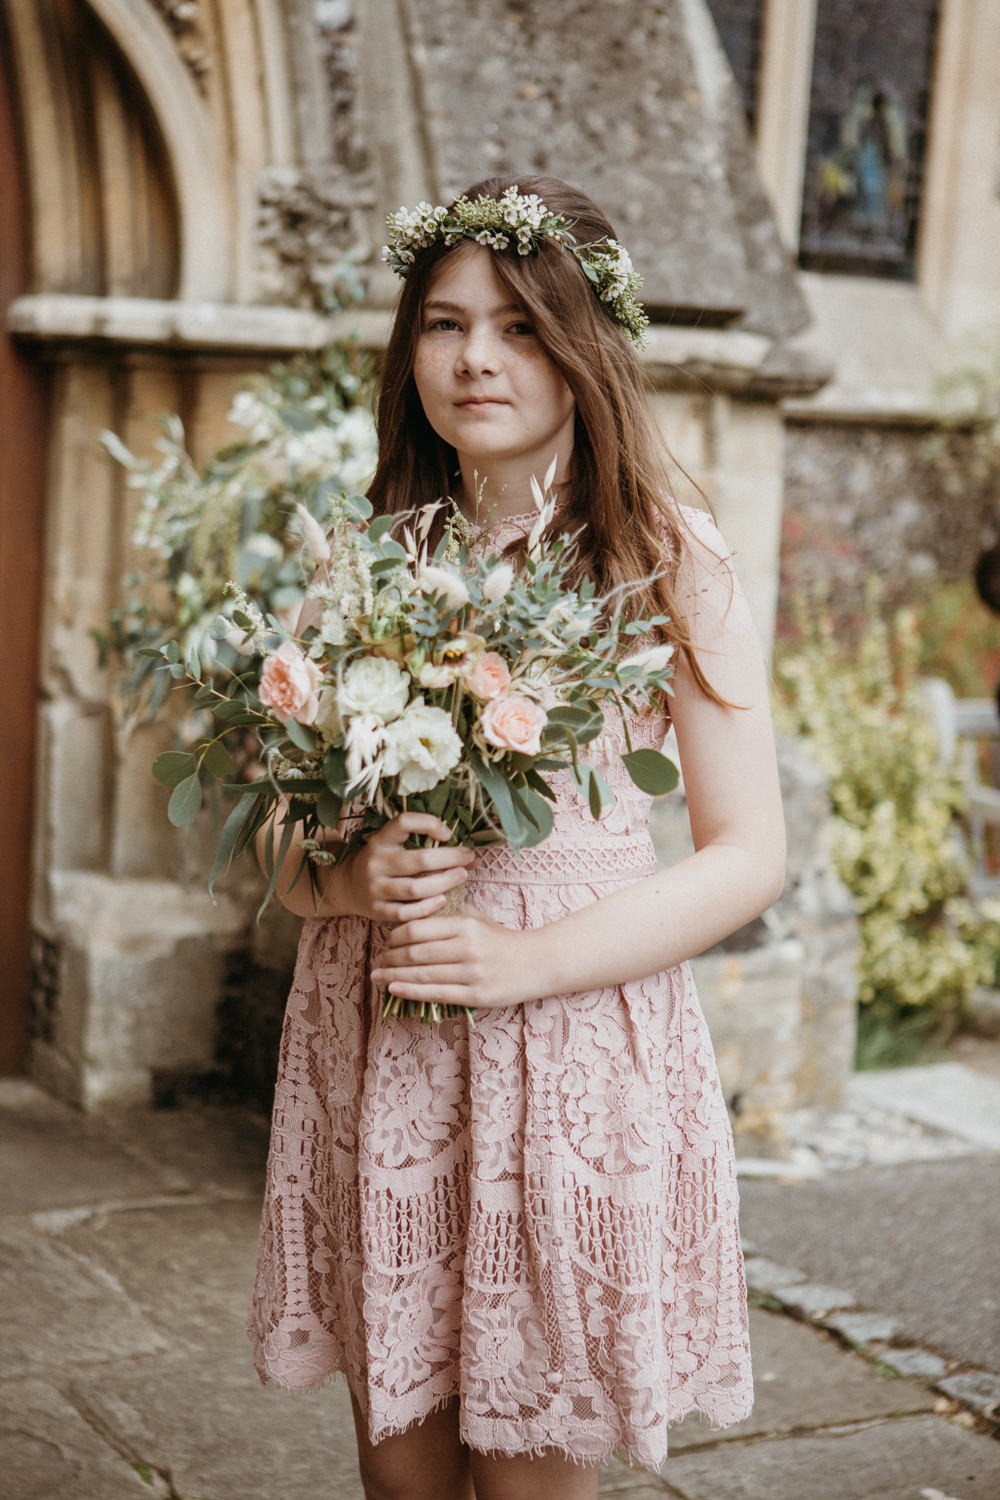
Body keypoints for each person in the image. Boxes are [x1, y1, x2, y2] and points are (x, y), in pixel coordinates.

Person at [247, 174, 786, 1500]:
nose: (477, 355)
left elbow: (746, 852)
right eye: (444, 322)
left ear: (585, 342)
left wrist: (523, 964)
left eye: (520, 324)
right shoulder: (366, 556)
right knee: (404, 1475)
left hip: (563, 1050)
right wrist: (343, 874)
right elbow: (271, 837)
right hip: (385, 1048)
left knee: (535, 1470)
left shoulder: (663, 557)